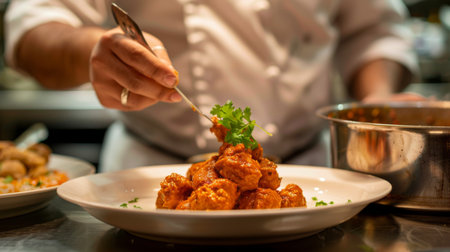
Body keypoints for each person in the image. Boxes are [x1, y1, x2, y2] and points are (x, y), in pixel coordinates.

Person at [4, 0, 423, 172]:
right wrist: (90, 51)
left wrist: (377, 97)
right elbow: (31, 30)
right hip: (151, 167)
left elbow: (373, 30)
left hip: (310, 169)